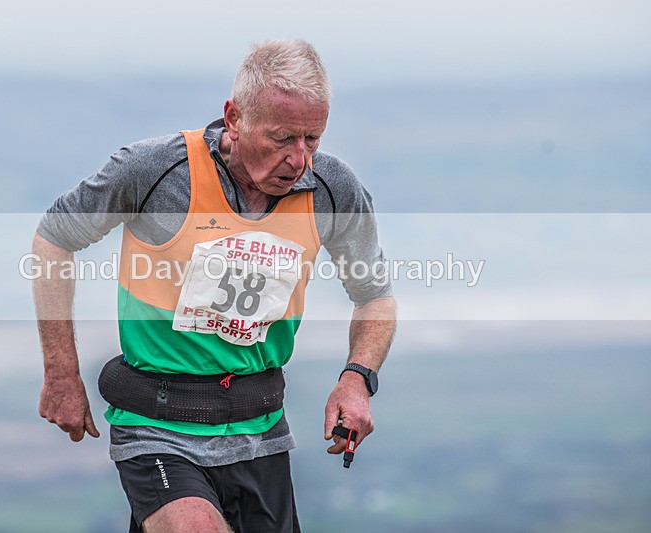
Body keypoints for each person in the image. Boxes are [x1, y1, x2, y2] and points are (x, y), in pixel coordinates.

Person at [32, 39, 396, 533]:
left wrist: (357, 379)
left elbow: (375, 296)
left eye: (313, 139)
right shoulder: (155, 171)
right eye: (283, 137)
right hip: (157, 426)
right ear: (235, 117)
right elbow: (54, 240)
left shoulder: (333, 189)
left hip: (260, 429)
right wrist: (60, 373)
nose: (299, 159)